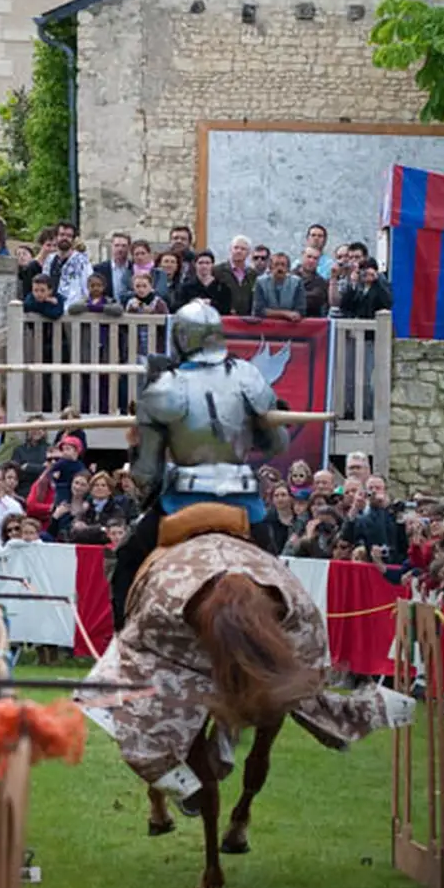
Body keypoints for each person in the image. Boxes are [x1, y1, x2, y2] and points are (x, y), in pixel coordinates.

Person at [109, 299, 289, 628]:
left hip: (182, 500)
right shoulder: (248, 375)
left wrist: (137, 445)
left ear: (179, 338)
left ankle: (122, 645)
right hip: (244, 503)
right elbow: (277, 444)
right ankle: (293, 640)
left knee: (127, 560)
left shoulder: (164, 387)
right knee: (279, 576)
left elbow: (147, 472)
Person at [42, 220, 91, 304]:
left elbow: (88, 288)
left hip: (73, 311)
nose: (65, 238)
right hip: (52, 308)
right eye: (62, 235)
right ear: (56, 237)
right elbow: (43, 284)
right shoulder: (49, 259)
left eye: (69, 236)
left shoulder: (82, 261)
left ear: (73, 239)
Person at [172, 249, 232, 315]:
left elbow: (226, 309)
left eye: (207, 263)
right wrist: (192, 304)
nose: (204, 266)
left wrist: (211, 303)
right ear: (195, 264)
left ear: (212, 265)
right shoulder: (185, 287)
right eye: (200, 263)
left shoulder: (223, 287)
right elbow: (177, 308)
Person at [253, 251, 306, 321]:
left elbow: (300, 310)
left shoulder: (297, 282)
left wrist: (271, 312)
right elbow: (258, 310)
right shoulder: (260, 282)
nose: (280, 268)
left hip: (290, 327)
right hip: (266, 327)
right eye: (276, 264)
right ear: (271, 267)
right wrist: (285, 313)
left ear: (288, 268)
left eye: (283, 265)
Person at [214, 235, 256, 316]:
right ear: (230, 249)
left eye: (243, 249)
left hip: (246, 320)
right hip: (225, 319)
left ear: (249, 253)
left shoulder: (252, 274)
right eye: (236, 248)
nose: (239, 251)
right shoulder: (218, 271)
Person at [93, 233, 134, 305]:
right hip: (108, 311)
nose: (120, 249)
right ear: (112, 246)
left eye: (124, 246)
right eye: (117, 245)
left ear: (129, 248)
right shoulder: (99, 269)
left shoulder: (134, 268)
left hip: (131, 312)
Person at [293, 245, 330, 318]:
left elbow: (314, 300)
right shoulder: (288, 276)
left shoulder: (321, 282)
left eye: (315, 258)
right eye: (309, 257)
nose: (311, 261)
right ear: (302, 256)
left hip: (311, 322)